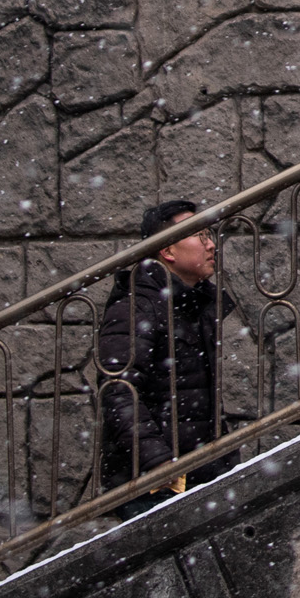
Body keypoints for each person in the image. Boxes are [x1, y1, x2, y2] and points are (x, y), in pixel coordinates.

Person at [97, 199, 236, 517]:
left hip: (195, 475)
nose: (211, 244)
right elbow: (119, 392)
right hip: (154, 486)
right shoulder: (137, 308)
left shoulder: (191, 304)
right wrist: (158, 460)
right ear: (168, 251)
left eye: (209, 235)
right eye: (199, 235)